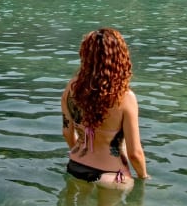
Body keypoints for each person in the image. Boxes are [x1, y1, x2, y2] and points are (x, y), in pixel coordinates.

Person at [61, 28, 149, 188]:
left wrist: (81, 155)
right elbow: (134, 153)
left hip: (75, 167)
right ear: (119, 58)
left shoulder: (71, 88)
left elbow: (67, 132)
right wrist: (143, 177)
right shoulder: (125, 98)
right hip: (112, 175)